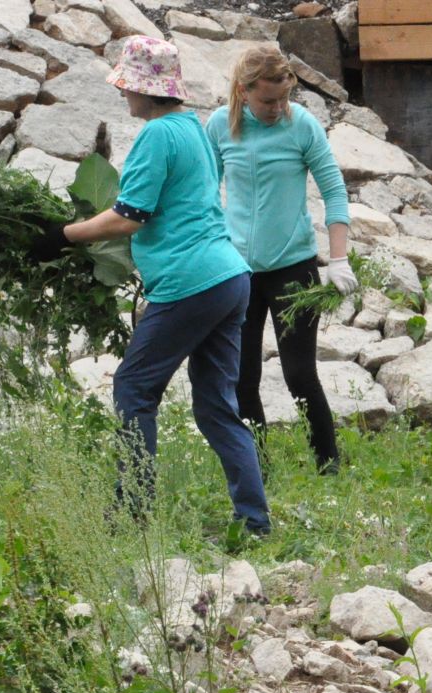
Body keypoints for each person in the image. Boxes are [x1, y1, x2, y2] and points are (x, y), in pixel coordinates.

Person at [32, 36, 268, 537]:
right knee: (216, 408)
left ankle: (132, 514)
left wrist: (61, 236)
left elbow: (129, 217)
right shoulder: (192, 126)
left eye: (127, 88)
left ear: (144, 89)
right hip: (230, 276)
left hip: (191, 281)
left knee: (134, 387)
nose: (123, 96)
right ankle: (254, 522)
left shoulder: (158, 135)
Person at [207, 46, 355, 475]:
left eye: (284, 97)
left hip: (294, 267)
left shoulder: (301, 124)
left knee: (298, 374)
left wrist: (338, 259)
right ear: (244, 91)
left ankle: (328, 465)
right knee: (242, 376)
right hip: (238, 272)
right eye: (267, 100)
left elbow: (334, 190)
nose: (277, 108)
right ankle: (258, 468)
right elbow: (204, 192)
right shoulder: (220, 125)